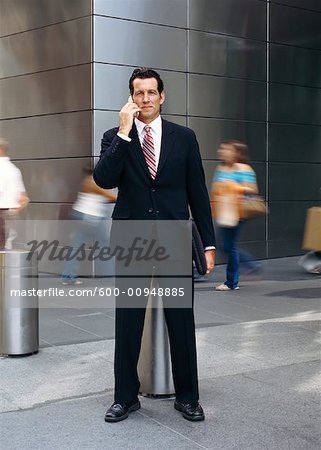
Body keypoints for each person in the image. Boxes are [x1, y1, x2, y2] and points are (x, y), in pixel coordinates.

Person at [93, 67, 215, 422]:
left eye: (151, 93)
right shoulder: (116, 136)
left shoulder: (184, 137)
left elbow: (198, 193)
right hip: (132, 239)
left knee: (180, 320)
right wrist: (124, 132)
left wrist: (208, 242)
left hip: (175, 239)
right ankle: (125, 397)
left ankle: (188, 397)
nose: (145, 99)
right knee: (128, 321)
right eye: (138, 93)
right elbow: (104, 179)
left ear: (162, 96)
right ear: (131, 98)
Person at [211, 140, 261, 291]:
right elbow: (215, 189)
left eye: (227, 150)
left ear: (236, 153)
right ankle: (251, 265)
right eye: (222, 149)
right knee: (223, 245)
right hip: (224, 210)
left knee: (230, 245)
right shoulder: (221, 167)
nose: (222, 152)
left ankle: (231, 282)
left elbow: (252, 189)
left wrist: (233, 186)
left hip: (238, 212)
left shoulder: (244, 168)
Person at [61, 167, 117, 285]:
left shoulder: (89, 180)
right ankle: (113, 276)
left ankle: (68, 276)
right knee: (105, 244)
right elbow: (111, 197)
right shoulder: (94, 181)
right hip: (90, 218)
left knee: (76, 246)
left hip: (83, 216)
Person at [0, 138, 29, 249]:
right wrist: (12, 212)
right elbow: (24, 199)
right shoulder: (14, 169)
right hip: (8, 215)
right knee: (5, 249)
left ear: (1, 149)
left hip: (2, 214)